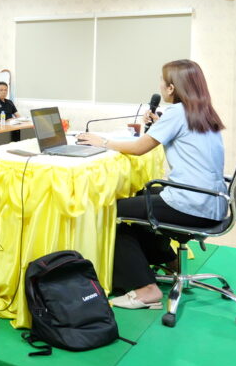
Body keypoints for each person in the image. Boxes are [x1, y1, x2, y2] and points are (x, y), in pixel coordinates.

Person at [76, 60, 227, 310]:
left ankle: (145, 289)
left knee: (114, 212)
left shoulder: (177, 113)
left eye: (161, 81)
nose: (160, 85)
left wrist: (102, 141)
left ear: (171, 88)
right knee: (144, 195)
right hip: (212, 201)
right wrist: (159, 123)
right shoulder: (203, 112)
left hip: (191, 204)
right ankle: (169, 261)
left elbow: (139, 148)